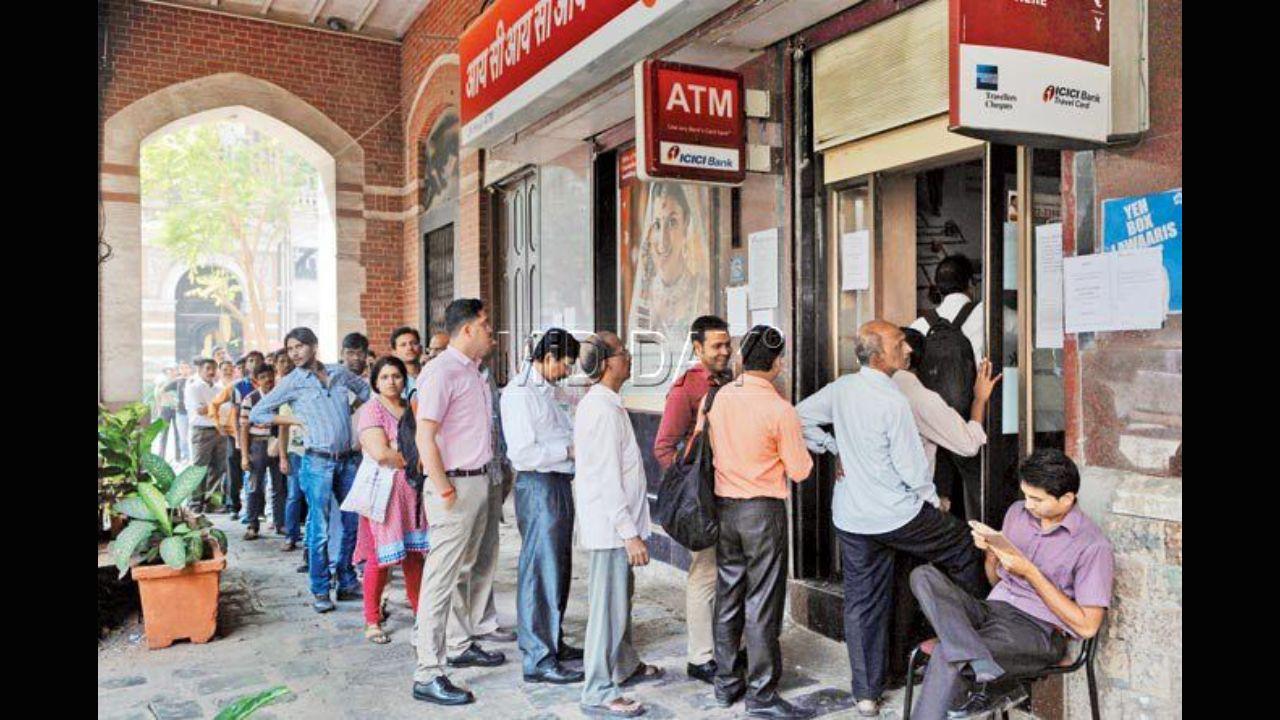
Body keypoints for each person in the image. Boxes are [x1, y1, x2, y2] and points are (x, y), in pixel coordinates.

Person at [795, 321, 986, 717]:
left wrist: (832, 448)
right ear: (880, 356)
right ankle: (974, 643)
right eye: (900, 344)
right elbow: (914, 470)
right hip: (898, 513)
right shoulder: (893, 400)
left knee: (863, 602)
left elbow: (798, 417)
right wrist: (935, 503)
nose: (909, 350)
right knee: (966, 548)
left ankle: (866, 693)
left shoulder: (842, 388)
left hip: (852, 516)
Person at [908, 449, 1114, 719]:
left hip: (1036, 630)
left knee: (947, 656)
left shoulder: (1092, 546)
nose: (1027, 504)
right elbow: (994, 580)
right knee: (923, 575)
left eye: (1037, 499)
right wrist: (992, 555)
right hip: (992, 610)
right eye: (1026, 495)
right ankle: (974, 657)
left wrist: (1031, 572)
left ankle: (972, 667)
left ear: (1066, 499)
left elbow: (1087, 626)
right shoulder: (1017, 513)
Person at [701, 325, 814, 718]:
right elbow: (800, 471)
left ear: (741, 358)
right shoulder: (780, 409)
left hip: (725, 507)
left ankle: (726, 682)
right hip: (762, 512)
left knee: (728, 594)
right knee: (763, 601)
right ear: (778, 363)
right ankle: (762, 693)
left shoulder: (721, 398)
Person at [411, 299, 506, 707]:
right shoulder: (441, 371)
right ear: (467, 330)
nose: (491, 332)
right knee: (441, 579)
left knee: (470, 569)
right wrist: (444, 488)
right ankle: (428, 671)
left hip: (480, 481)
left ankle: (459, 641)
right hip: (455, 487)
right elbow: (423, 436)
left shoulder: (475, 373)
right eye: (485, 325)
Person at [250, 327, 371, 614]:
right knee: (319, 529)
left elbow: (367, 392)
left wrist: (359, 419)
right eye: (290, 348)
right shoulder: (292, 382)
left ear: (314, 346)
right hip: (317, 462)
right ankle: (320, 588)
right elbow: (258, 413)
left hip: (348, 460)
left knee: (352, 523)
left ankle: (346, 580)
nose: (294, 353)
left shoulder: (338, 373)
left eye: (299, 346)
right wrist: (294, 421)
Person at [574, 331, 663, 718]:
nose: (629, 358)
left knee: (620, 602)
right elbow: (605, 477)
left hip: (615, 525)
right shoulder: (600, 409)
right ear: (608, 363)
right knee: (607, 609)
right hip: (610, 529)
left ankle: (624, 664)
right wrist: (629, 534)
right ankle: (596, 689)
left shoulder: (608, 403)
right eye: (624, 353)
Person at [652, 314, 733, 684]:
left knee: (734, 574)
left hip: (735, 493)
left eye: (727, 344)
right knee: (705, 575)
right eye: (716, 345)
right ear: (697, 348)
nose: (724, 351)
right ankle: (700, 657)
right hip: (706, 499)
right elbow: (663, 447)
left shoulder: (733, 381)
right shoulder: (685, 388)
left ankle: (731, 647)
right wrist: (691, 484)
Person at [501, 328, 585, 685]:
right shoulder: (519, 393)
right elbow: (522, 452)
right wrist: (567, 451)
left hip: (558, 483)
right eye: (565, 364)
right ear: (548, 358)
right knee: (540, 568)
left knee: (558, 566)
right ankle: (538, 657)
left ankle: (553, 639)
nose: (568, 371)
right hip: (538, 485)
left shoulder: (548, 389)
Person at [353, 356, 429, 645]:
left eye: (396, 376)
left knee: (413, 557)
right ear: (375, 381)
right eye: (384, 377)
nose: (391, 382)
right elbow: (380, 452)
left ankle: (423, 618)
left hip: (411, 493)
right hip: (382, 493)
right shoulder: (371, 410)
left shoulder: (411, 408)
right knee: (379, 558)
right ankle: (372, 620)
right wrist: (414, 462)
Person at [909, 255, 984, 521]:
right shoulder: (988, 314)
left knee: (940, 488)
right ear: (971, 284)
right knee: (978, 488)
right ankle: (981, 543)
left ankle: (945, 547)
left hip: (932, 420)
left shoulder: (920, 325)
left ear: (937, 288)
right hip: (975, 414)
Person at [896, 328, 1000, 513]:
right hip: (906, 511)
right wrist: (979, 399)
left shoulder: (858, 389)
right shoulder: (920, 398)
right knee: (964, 540)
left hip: (858, 512)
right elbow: (968, 444)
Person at [238, 363, 283, 541]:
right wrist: (243, 455)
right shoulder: (250, 399)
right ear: (256, 381)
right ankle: (252, 525)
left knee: (279, 487)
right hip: (257, 445)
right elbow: (243, 428)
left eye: (270, 376)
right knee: (255, 487)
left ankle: (280, 524)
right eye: (263, 377)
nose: (268, 380)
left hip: (276, 444)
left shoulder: (280, 397)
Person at [274, 350, 308, 555]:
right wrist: (283, 457)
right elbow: (282, 428)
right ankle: (291, 535)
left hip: (315, 452)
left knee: (312, 499)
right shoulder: (287, 399)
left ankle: (309, 540)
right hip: (295, 452)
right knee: (294, 495)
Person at [184, 358, 226, 512]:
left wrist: (212, 409)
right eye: (208, 368)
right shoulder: (193, 388)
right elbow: (200, 411)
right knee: (199, 468)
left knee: (217, 468)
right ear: (200, 370)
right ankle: (195, 503)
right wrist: (216, 407)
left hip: (219, 431)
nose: (211, 372)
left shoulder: (218, 388)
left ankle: (211, 503)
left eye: (214, 368)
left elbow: (224, 409)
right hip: (201, 432)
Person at [209, 359, 245, 519]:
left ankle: (255, 509)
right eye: (242, 367)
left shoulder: (264, 384)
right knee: (233, 469)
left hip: (255, 435)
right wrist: (219, 425)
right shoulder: (234, 387)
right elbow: (214, 404)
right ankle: (233, 505)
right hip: (233, 434)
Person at [391, 326, 423, 398]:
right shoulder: (390, 379)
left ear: (421, 348)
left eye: (414, 343)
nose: (409, 348)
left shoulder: (430, 374)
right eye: (403, 345)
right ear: (394, 352)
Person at [172, 361, 194, 463]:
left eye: (186, 367)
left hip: (193, 412)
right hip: (181, 412)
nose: (184, 370)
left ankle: (193, 457)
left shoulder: (194, 380)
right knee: (183, 437)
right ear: (180, 370)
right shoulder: (177, 381)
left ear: (190, 369)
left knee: (193, 436)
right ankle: (186, 456)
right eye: (182, 368)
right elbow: (161, 389)